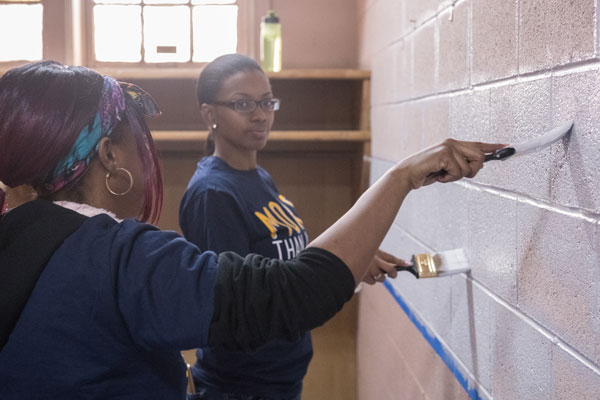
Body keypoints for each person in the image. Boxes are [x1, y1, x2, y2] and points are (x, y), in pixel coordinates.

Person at [0, 61, 503, 399]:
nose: (259, 113)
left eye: (267, 101)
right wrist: (403, 175)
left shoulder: (25, 241)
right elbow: (288, 293)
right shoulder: (120, 259)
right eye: (137, 141)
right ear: (111, 156)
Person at [178, 54, 407, 400]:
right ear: (210, 114)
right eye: (242, 104)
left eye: (267, 101)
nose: (260, 114)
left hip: (279, 379)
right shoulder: (213, 194)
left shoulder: (258, 177)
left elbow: (281, 261)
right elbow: (243, 303)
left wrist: (348, 264)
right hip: (243, 386)